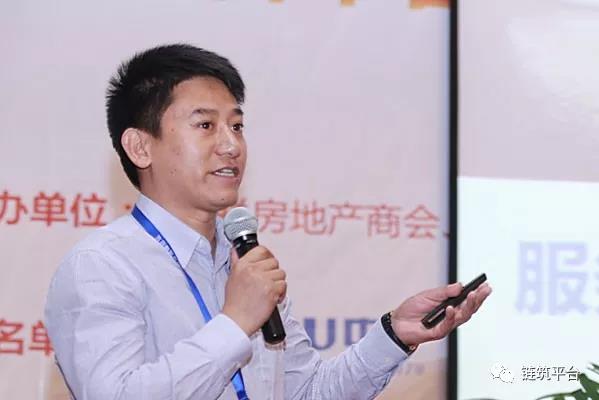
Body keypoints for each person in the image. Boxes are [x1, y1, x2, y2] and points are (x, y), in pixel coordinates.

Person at [44, 43, 491, 400]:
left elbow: (308, 392)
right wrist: (236, 321)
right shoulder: (101, 267)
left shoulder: (243, 262)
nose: (231, 146)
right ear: (140, 147)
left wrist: (393, 334)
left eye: (236, 126)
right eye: (205, 126)